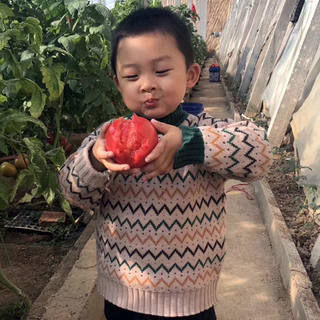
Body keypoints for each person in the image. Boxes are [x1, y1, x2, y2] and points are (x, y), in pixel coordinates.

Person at [59, 7, 272, 320]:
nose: (146, 84)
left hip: (191, 302)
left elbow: (260, 153)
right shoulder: (107, 137)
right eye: (132, 76)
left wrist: (190, 144)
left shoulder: (205, 129)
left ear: (191, 76)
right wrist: (95, 161)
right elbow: (72, 191)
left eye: (161, 71)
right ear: (117, 83)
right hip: (124, 298)